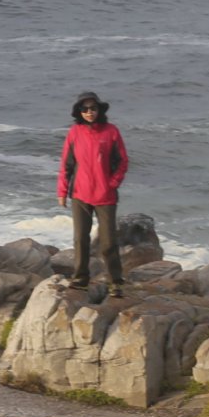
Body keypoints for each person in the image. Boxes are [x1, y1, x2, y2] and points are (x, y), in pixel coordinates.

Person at [56, 91, 130, 298]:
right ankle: (80, 279)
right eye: (85, 109)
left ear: (99, 110)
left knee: (108, 243)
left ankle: (116, 282)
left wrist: (112, 183)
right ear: (79, 112)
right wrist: (62, 191)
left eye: (93, 108)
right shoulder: (74, 132)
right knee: (80, 239)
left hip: (106, 196)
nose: (89, 112)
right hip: (80, 194)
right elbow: (66, 165)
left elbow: (123, 162)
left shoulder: (111, 132)